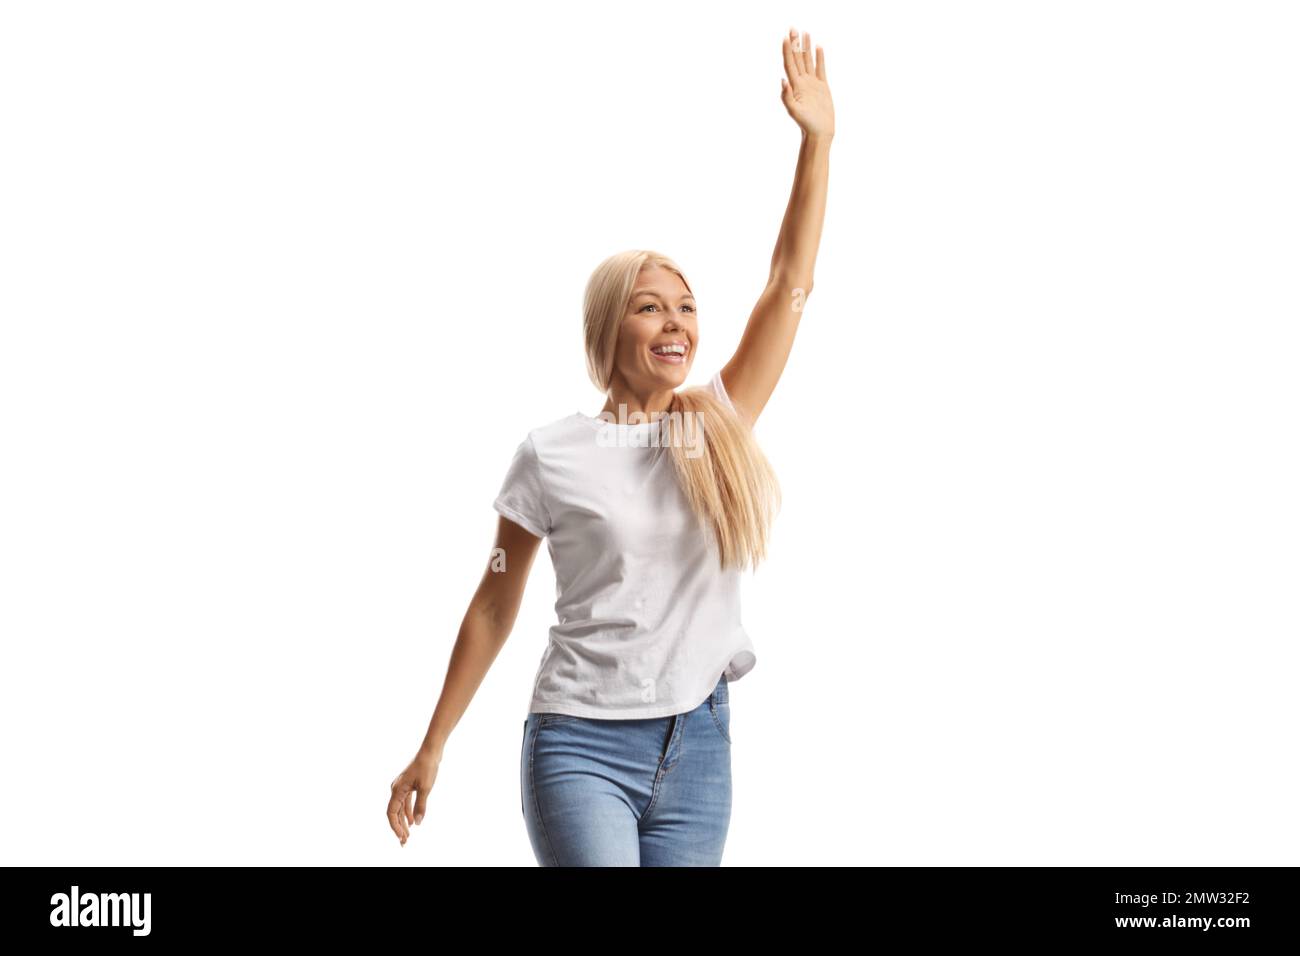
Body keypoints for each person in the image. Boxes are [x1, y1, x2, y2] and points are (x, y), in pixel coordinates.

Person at [388, 27, 833, 865]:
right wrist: (433, 743)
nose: (677, 322)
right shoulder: (550, 454)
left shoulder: (713, 429)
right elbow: (493, 600)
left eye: (688, 306)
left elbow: (789, 284)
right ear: (609, 328)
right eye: (650, 305)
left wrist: (819, 142)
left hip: (698, 747)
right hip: (579, 744)